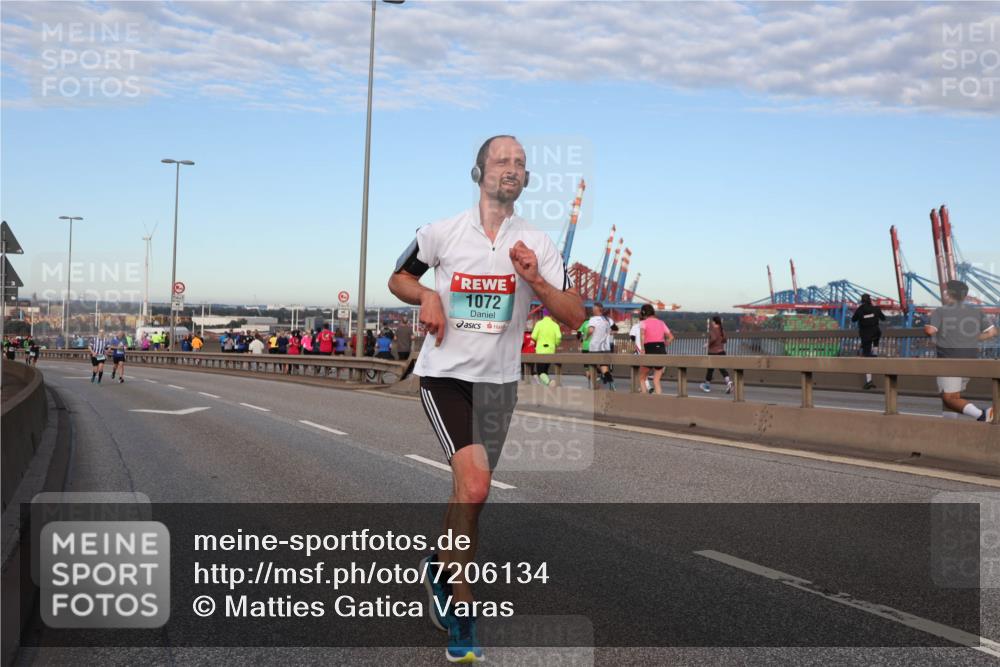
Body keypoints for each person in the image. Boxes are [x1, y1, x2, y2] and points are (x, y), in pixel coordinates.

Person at [388, 135, 584, 662]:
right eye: (502, 161)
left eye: (520, 163)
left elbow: (574, 317)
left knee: (470, 493)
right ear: (479, 172)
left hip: (499, 383)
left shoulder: (538, 244)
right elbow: (398, 277)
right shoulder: (441, 233)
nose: (512, 169)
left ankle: (438, 565)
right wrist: (428, 294)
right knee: (474, 486)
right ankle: (462, 608)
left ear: (527, 179)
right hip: (446, 375)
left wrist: (535, 280)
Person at [924, 280, 997, 422]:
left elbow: (930, 330)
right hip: (970, 359)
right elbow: (992, 332)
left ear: (948, 293)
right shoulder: (976, 312)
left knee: (949, 397)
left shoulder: (941, 311)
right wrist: (974, 338)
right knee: (953, 396)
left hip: (949, 360)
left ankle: (982, 414)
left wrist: (930, 324)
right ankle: (949, 427)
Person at [851, 294, 886, 390]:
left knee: (867, 358)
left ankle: (869, 381)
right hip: (876, 334)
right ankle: (875, 352)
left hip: (866, 336)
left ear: (862, 301)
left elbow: (853, 320)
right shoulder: (876, 308)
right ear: (870, 300)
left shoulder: (860, 310)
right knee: (875, 344)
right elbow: (883, 318)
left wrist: (860, 315)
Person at [638, 304, 672, 394]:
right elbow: (671, 337)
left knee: (642, 378)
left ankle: (645, 399)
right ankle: (659, 402)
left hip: (649, 349)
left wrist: (642, 349)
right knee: (656, 380)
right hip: (661, 350)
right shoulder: (661, 322)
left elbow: (642, 336)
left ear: (643, 313)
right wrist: (665, 343)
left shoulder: (643, 323)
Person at [587, 302, 617, 390]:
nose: (592, 310)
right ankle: (611, 383)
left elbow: (591, 331)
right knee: (604, 368)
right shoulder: (608, 320)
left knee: (592, 367)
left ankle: (594, 387)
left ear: (595, 310)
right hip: (605, 348)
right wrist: (608, 333)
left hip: (594, 347)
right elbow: (616, 330)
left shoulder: (593, 319)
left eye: (593, 309)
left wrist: (586, 336)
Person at [701, 316, 733, 394]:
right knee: (722, 368)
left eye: (712, 321)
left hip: (713, 352)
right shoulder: (722, 329)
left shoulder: (713, 330)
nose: (712, 322)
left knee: (710, 369)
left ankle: (707, 386)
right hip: (721, 352)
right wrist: (720, 343)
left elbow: (713, 338)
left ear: (714, 322)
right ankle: (728, 382)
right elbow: (725, 340)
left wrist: (707, 344)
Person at [530, 308, 562, 386]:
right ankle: (546, 388)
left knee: (540, 372)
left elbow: (533, 336)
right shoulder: (555, 325)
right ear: (551, 315)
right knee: (545, 371)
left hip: (540, 351)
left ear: (543, 314)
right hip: (550, 350)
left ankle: (549, 383)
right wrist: (556, 344)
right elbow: (559, 337)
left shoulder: (539, 324)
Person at [628, 316, 653, 393]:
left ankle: (646, 387)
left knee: (640, 371)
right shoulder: (649, 326)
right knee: (643, 370)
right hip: (649, 350)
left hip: (640, 350)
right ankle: (645, 386)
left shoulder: (636, 326)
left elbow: (632, 337)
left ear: (639, 319)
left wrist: (635, 343)